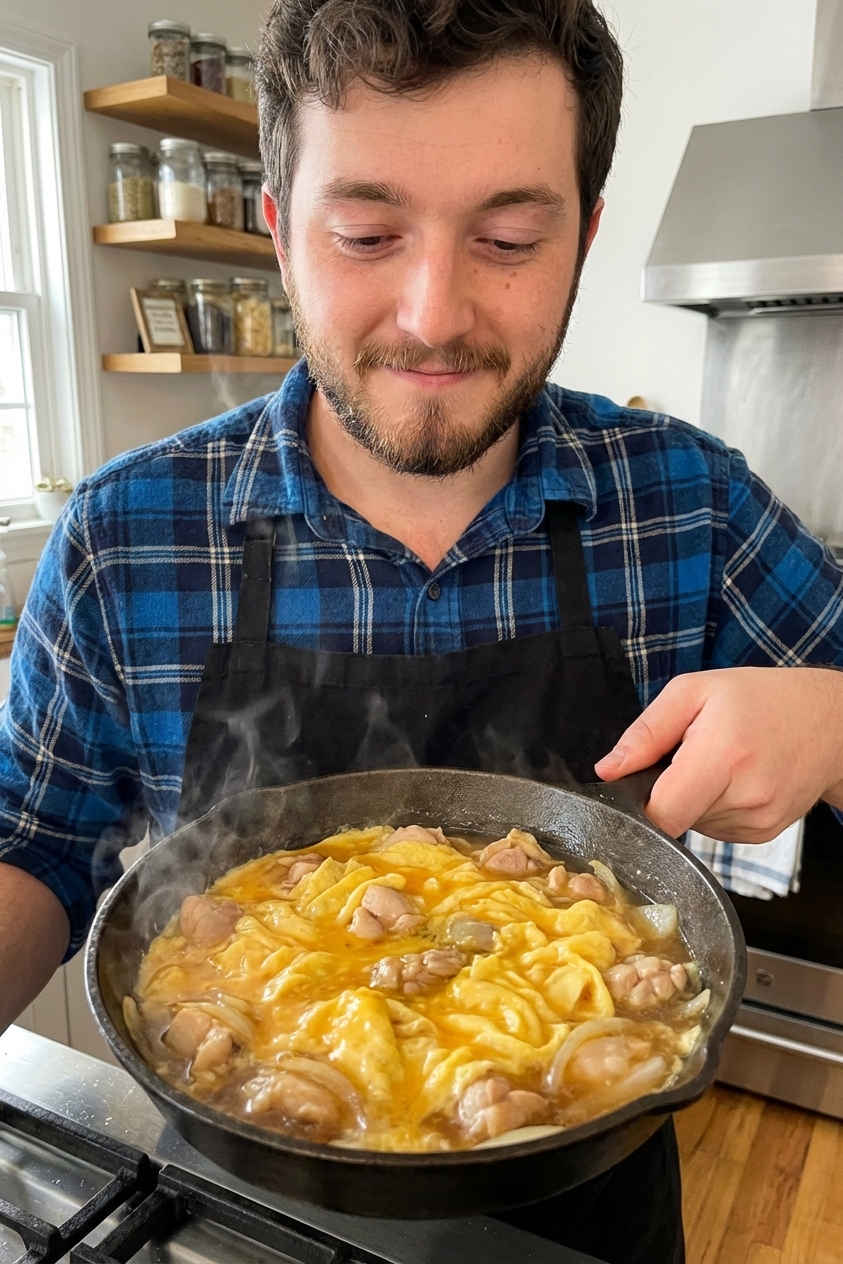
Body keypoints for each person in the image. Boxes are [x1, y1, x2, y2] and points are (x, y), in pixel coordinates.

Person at [1, 0, 842, 1259]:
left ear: (583, 239)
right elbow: (33, 843)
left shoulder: (688, 503)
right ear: (282, 236)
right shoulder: (131, 535)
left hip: (590, 1206)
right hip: (237, 1208)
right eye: (366, 232)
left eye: (507, 236)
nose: (433, 311)